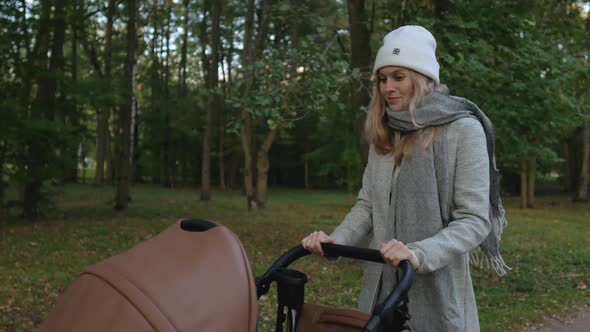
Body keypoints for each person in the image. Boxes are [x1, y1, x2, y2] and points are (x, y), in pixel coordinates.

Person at [301, 25, 509, 332]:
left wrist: (418, 253)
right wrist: (337, 240)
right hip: (381, 289)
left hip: (438, 289)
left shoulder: (463, 130)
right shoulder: (384, 133)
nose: (387, 87)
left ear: (424, 79)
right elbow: (368, 206)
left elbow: (474, 220)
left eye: (399, 77)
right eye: (382, 79)